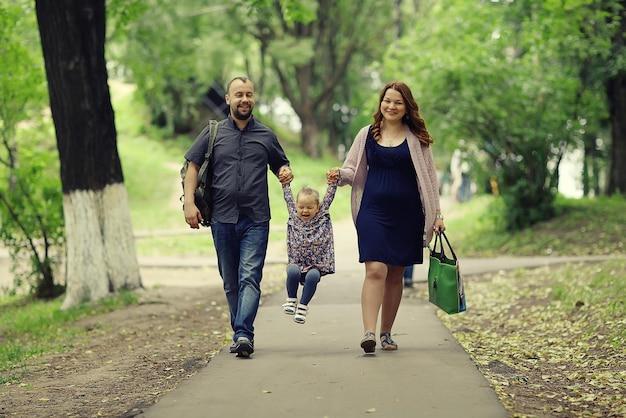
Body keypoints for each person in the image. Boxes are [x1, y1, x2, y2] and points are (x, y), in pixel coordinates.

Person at [327, 81, 445, 354]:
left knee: (395, 274)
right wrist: (338, 175)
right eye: (387, 101)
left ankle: (386, 332)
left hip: (408, 214)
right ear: (381, 103)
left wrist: (437, 214)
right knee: (376, 269)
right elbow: (351, 170)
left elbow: (429, 180)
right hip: (373, 211)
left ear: (407, 108)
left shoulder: (418, 139)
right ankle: (368, 331)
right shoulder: (366, 134)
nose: (391, 106)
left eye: (398, 102)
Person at [183, 76, 294, 358]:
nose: (244, 99)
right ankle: (240, 332)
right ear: (228, 99)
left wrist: (284, 171)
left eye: (249, 94)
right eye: (239, 94)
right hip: (221, 217)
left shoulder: (266, 135)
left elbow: (281, 163)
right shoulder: (214, 133)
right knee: (230, 281)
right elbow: (193, 166)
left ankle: (244, 333)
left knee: (249, 277)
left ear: (253, 99)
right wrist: (188, 204)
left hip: (256, 219)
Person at [281, 174, 338, 324]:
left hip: (316, 264)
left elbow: (329, 198)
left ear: (317, 207)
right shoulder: (294, 215)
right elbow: (287, 197)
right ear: (296, 206)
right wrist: (285, 183)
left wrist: (333, 183)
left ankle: (303, 306)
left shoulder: (321, 216)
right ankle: (292, 299)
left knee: (312, 277)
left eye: (309, 207)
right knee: (292, 272)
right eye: (301, 207)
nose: (304, 210)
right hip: (297, 261)